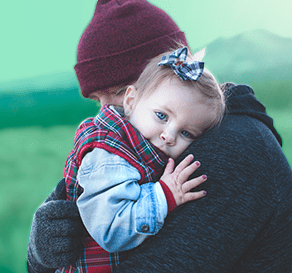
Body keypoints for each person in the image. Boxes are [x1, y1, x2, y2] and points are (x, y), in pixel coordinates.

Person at [27, 0, 292, 272]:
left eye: (120, 93)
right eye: (98, 101)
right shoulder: (144, 147)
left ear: (168, 74)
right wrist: (41, 256)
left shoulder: (233, 151)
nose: (106, 114)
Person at [58, 46, 225, 272]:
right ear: (130, 101)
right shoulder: (108, 155)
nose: (169, 136)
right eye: (161, 116)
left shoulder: (142, 148)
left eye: (186, 133)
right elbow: (110, 230)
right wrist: (164, 195)